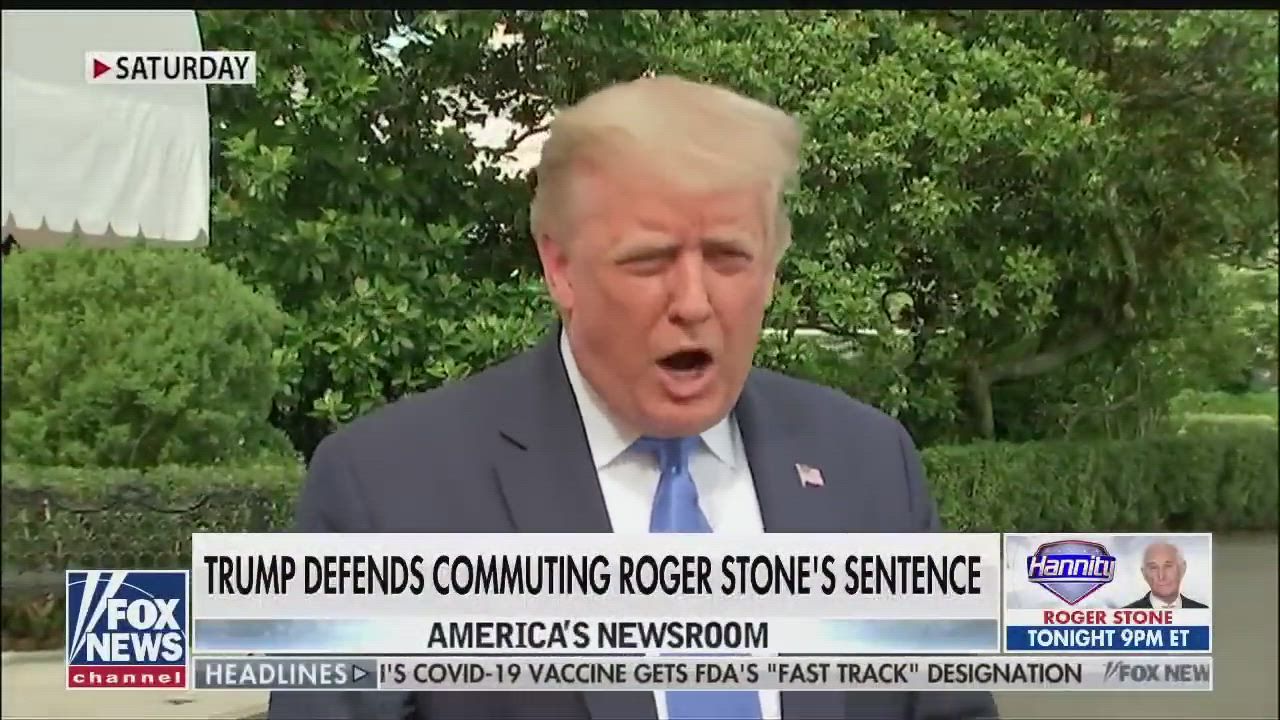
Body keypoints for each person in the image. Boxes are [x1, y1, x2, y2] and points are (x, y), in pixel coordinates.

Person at [267, 75, 998, 720]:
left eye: (729, 256)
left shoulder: (869, 464)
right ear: (562, 268)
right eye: (649, 260)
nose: (694, 302)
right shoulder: (386, 493)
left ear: (773, 266)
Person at [1125, 541, 1208, 609]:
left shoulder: (1203, 611)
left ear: (1182, 568)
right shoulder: (1125, 615)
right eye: (1153, 567)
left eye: (1168, 566)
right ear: (1144, 573)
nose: (1161, 576)